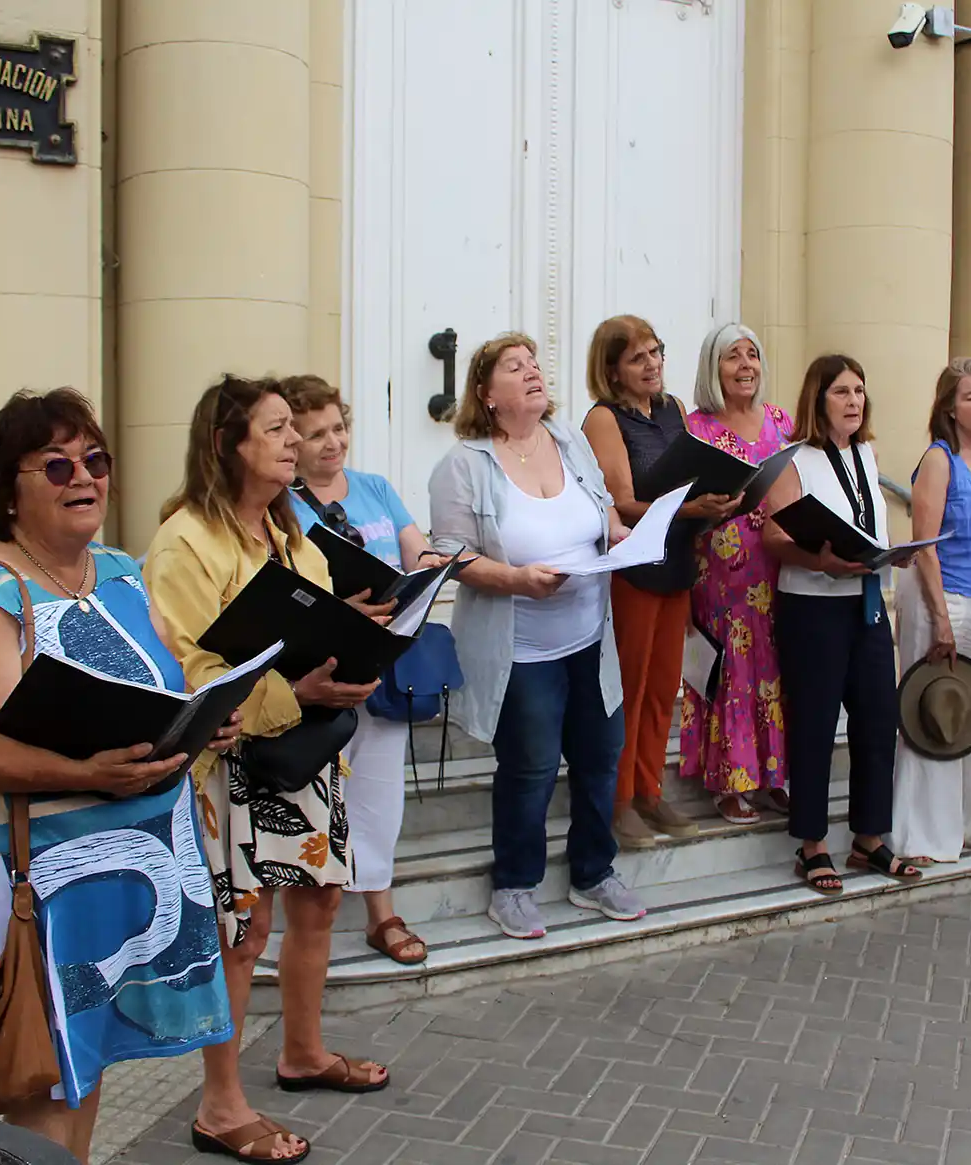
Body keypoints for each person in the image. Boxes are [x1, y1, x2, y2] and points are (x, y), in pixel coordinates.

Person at [0, 389, 236, 1162]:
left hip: (134, 866)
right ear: (5, 489)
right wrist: (79, 769)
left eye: (95, 460)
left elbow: (161, 686)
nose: (81, 476)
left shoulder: (122, 572)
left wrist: (202, 719)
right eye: (56, 463)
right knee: (47, 1068)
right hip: (40, 884)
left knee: (83, 1067)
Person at [144, 375, 392, 1163]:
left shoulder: (295, 537)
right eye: (278, 428)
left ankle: (303, 1053)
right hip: (231, 760)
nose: (295, 441)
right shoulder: (184, 540)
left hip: (305, 749)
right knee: (243, 934)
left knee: (318, 899)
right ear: (227, 443)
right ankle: (219, 1105)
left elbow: (317, 631)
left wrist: (361, 655)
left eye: (297, 428)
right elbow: (184, 671)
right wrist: (300, 688)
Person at [429, 332, 645, 941]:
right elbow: (448, 557)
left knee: (601, 756)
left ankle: (593, 873)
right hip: (522, 650)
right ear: (485, 393)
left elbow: (601, 507)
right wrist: (516, 579)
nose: (532, 373)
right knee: (531, 766)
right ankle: (515, 885)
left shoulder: (569, 438)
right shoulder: (465, 465)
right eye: (514, 367)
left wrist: (618, 535)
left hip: (588, 636)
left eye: (534, 364)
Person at [282, 373, 448, 966]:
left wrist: (426, 565)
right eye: (316, 433)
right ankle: (297, 921)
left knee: (378, 793)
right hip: (317, 668)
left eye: (340, 427)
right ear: (289, 441)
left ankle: (381, 911)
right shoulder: (283, 504)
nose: (334, 442)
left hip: (383, 661)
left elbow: (413, 546)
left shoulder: (374, 486)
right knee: (309, 795)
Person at [762, 354, 923, 893]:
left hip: (868, 603)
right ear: (818, 398)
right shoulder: (794, 460)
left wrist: (888, 554)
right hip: (813, 607)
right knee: (813, 725)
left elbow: (867, 523)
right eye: (842, 392)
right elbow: (774, 538)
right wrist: (820, 562)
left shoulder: (867, 453)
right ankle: (811, 845)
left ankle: (870, 839)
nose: (854, 401)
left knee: (879, 720)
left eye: (859, 390)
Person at [581, 315, 740, 849]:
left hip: (678, 559)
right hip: (634, 567)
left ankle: (649, 789)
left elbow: (689, 474)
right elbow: (622, 500)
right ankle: (618, 800)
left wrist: (718, 500)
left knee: (664, 686)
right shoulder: (604, 418)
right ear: (612, 370)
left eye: (656, 352)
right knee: (628, 686)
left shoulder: (672, 410)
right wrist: (693, 505)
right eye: (638, 358)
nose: (653, 365)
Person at [887, 358, 971, 865]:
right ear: (948, 408)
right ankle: (922, 835)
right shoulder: (939, 460)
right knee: (934, 713)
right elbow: (925, 547)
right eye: (970, 397)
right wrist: (941, 619)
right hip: (944, 601)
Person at [680, 323, 793, 824]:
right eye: (733, 357)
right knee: (731, 672)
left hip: (776, 564)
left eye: (752, 355)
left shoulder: (781, 420)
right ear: (712, 367)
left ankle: (771, 774)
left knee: (775, 668)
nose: (745, 365)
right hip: (720, 567)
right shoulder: (696, 427)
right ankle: (728, 779)